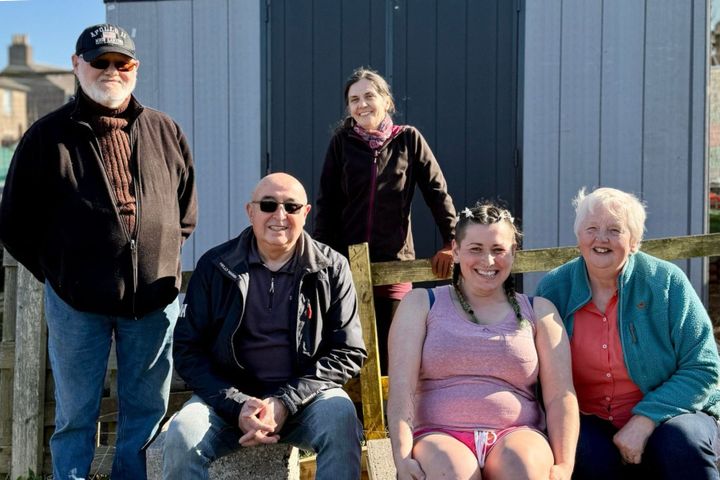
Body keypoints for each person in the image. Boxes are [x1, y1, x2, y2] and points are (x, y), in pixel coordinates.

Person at [0, 23, 197, 479]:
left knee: (146, 412)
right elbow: (14, 224)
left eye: (121, 62)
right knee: (75, 416)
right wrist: (61, 273)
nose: (111, 70)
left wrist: (158, 255)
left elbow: (185, 212)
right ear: (77, 65)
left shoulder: (166, 130)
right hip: (76, 305)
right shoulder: (46, 137)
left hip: (153, 303)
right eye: (99, 61)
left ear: (135, 68)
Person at [163, 172, 367, 479]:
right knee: (181, 433)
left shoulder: (332, 267)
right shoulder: (216, 265)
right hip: (226, 406)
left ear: (306, 213)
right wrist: (239, 405)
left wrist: (285, 401)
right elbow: (188, 350)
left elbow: (348, 350)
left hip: (305, 403)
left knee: (340, 415)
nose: (280, 216)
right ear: (250, 211)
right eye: (269, 205)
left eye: (292, 207)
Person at [536, 187, 720, 479]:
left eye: (614, 230)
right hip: (587, 417)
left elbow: (704, 367)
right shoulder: (554, 289)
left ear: (633, 241)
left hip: (673, 412)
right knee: (585, 456)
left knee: (680, 444)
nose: (601, 239)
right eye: (592, 229)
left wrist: (646, 418)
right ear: (578, 237)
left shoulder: (666, 282)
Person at [388, 202, 579, 480]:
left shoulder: (540, 311)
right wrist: (402, 457)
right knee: (452, 473)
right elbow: (401, 389)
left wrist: (564, 466)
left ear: (513, 252)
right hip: (438, 435)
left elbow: (561, 395)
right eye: (475, 249)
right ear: (455, 251)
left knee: (522, 469)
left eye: (498, 250)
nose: (488, 261)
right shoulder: (421, 304)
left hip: (517, 434)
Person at [314, 66, 457, 372]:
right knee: (351, 347)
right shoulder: (341, 143)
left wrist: (452, 241)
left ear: (386, 101)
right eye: (354, 99)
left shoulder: (408, 139)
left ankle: (396, 419)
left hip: (395, 261)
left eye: (369, 96)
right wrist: (321, 256)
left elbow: (437, 192)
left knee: (395, 350)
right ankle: (355, 418)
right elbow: (327, 203)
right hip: (346, 263)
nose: (362, 104)